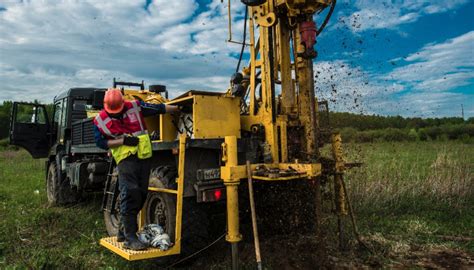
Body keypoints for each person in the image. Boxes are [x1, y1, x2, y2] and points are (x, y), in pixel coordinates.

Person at [93, 88, 180, 250]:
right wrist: (122, 141)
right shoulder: (100, 120)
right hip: (125, 160)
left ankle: (122, 230)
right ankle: (130, 238)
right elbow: (100, 143)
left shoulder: (134, 107)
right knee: (130, 192)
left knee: (141, 194)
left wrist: (179, 108)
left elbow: (159, 108)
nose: (115, 114)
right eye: (112, 112)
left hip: (143, 156)